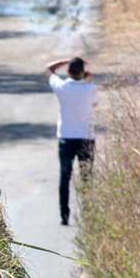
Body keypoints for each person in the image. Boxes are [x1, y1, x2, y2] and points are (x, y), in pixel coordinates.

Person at [46, 56, 98, 225]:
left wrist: (64, 60)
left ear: (68, 71)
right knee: (86, 177)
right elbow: (94, 104)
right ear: (83, 72)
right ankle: (88, 213)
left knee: (65, 176)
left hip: (66, 138)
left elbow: (49, 69)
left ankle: (64, 215)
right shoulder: (91, 88)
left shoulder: (62, 87)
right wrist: (88, 79)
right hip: (86, 138)